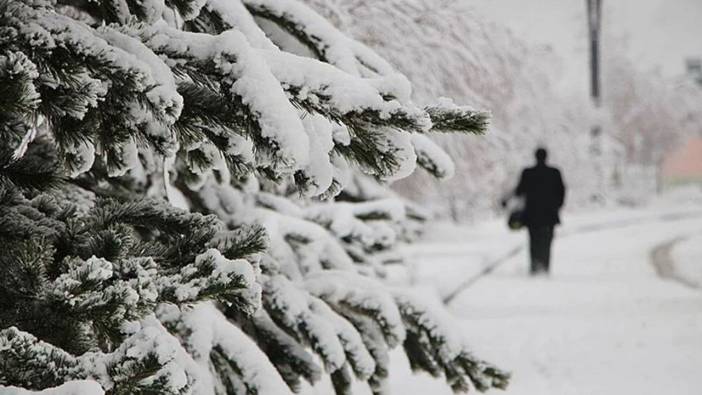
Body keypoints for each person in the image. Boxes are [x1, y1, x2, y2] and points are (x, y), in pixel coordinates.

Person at [505, 148, 566, 275]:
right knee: (547, 241)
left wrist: (507, 200)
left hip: (532, 215)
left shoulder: (528, 172)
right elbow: (561, 191)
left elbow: (519, 190)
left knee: (534, 241)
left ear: (535, 157)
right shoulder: (555, 172)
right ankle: (545, 267)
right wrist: (557, 206)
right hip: (550, 214)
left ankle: (534, 267)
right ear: (546, 157)